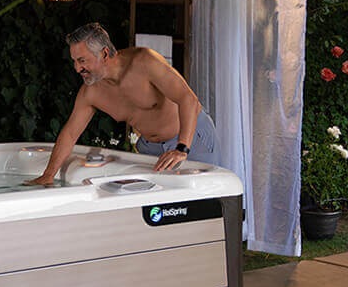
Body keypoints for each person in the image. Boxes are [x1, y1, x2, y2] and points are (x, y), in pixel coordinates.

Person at [26, 22, 219, 186]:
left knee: (205, 203)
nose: (77, 68)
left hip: (190, 139)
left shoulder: (144, 62)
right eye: (75, 61)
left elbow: (188, 99)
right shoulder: (91, 92)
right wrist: (48, 175)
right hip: (151, 149)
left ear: (104, 54)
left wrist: (182, 148)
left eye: (82, 60)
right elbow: (70, 133)